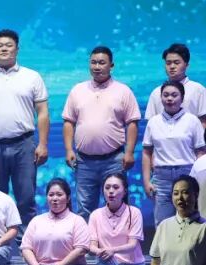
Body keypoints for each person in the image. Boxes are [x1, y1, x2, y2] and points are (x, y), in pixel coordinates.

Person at [0, 29, 50, 229]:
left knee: (26, 198)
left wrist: (43, 144)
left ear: (17, 49)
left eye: (9, 45)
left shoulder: (32, 77)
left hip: (24, 146)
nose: (4, 49)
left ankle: (26, 243)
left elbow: (42, 113)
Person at [61, 46, 141, 218]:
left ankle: (120, 236)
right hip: (84, 161)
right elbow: (69, 122)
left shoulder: (123, 91)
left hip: (114, 160)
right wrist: (68, 150)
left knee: (117, 207)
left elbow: (132, 123)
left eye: (102, 63)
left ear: (111, 65)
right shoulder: (77, 90)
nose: (97, 67)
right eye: (93, 62)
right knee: (84, 209)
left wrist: (129, 152)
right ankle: (86, 237)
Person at [142, 81, 206, 225]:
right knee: (162, 222)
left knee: (190, 220)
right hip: (161, 177)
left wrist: (199, 179)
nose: (169, 98)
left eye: (174, 95)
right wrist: (146, 181)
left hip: (187, 174)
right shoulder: (153, 122)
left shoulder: (192, 121)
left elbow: (200, 152)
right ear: (161, 98)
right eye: (166, 95)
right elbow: (146, 152)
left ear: (182, 98)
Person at [144, 43, 206, 127]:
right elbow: (150, 124)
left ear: (186, 65)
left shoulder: (198, 90)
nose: (172, 66)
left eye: (176, 63)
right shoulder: (156, 92)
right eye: (168, 63)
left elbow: (203, 121)